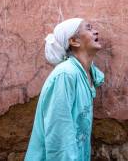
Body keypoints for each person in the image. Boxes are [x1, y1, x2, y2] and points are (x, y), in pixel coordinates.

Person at [25, 18, 104, 161]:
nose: (96, 31)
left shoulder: (86, 73)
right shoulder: (66, 75)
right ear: (74, 41)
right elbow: (59, 133)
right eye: (89, 28)